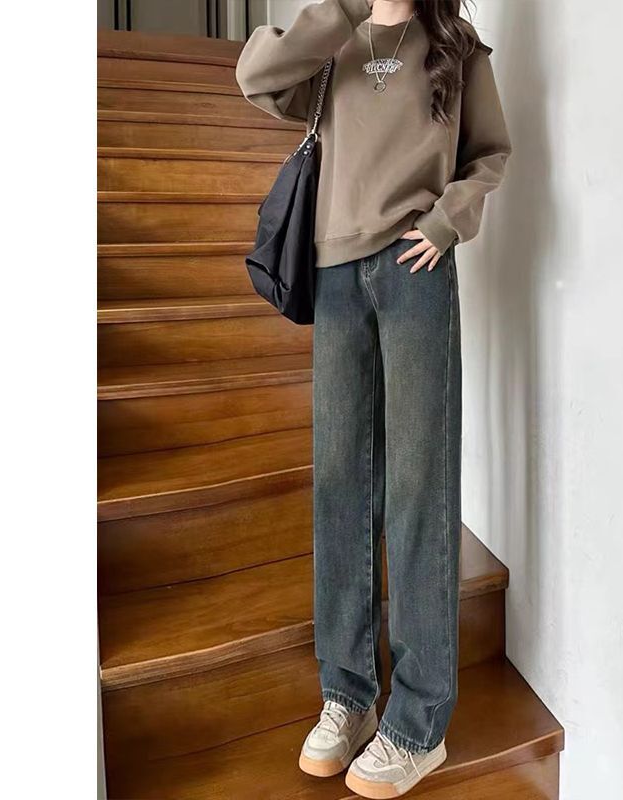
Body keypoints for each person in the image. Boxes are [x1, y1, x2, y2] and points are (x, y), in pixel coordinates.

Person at [236, 0, 511, 795]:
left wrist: (448, 222)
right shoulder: (334, 37)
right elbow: (256, 76)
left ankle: (419, 724)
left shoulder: (457, 47)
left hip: (414, 272)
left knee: (420, 483)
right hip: (333, 276)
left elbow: (489, 152)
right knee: (341, 482)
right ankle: (349, 694)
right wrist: (343, 9)